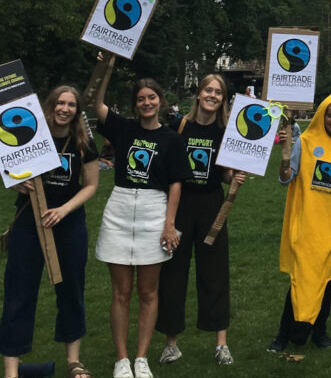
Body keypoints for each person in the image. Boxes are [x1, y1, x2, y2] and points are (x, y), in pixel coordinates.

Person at [93, 53, 192, 378]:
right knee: (120, 292)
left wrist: (169, 225)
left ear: (160, 101)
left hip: (154, 211)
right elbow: (95, 102)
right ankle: (122, 359)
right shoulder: (124, 129)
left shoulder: (172, 139)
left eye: (151, 98)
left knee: (149, 291)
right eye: (140, 99)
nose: (146, 103)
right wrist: (105, 66)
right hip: (120, 208)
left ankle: (141, 358)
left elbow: (176, 184)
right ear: (135, 104)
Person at [0, 86, 99, 378]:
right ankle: (11, 371)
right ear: (50, 105)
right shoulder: (30, 135)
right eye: (59, 103)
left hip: (67, 222)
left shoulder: (83, 141)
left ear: (76, 110)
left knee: (71, 290)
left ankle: (73, 361)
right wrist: (13, 181)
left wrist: (64, 210)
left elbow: (92, 185)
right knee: (18, 292)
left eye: (70, 104)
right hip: (30, 220)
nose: (64, 108)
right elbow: (7, 167)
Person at [155, 74, 247, 366]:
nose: (212, 95)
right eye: (208, 90)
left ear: (222, 99)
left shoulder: (225, 131)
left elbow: (225, 173)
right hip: (180, 205)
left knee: (215, 272)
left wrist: (235, 176)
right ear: (198, 94)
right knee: (173, 272)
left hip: (211, 205)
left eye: (218, 92)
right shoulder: (179, 126)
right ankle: (171, 344)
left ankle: (221, 344)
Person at [267, 78, 331, 352]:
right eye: (329, 115)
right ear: (321, 116)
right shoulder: (305, 143)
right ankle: (283, 334)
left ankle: (320, 331)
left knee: (327, 281)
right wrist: (285, 159)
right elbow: (287, 179)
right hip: (307, 224)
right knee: (301, 279)